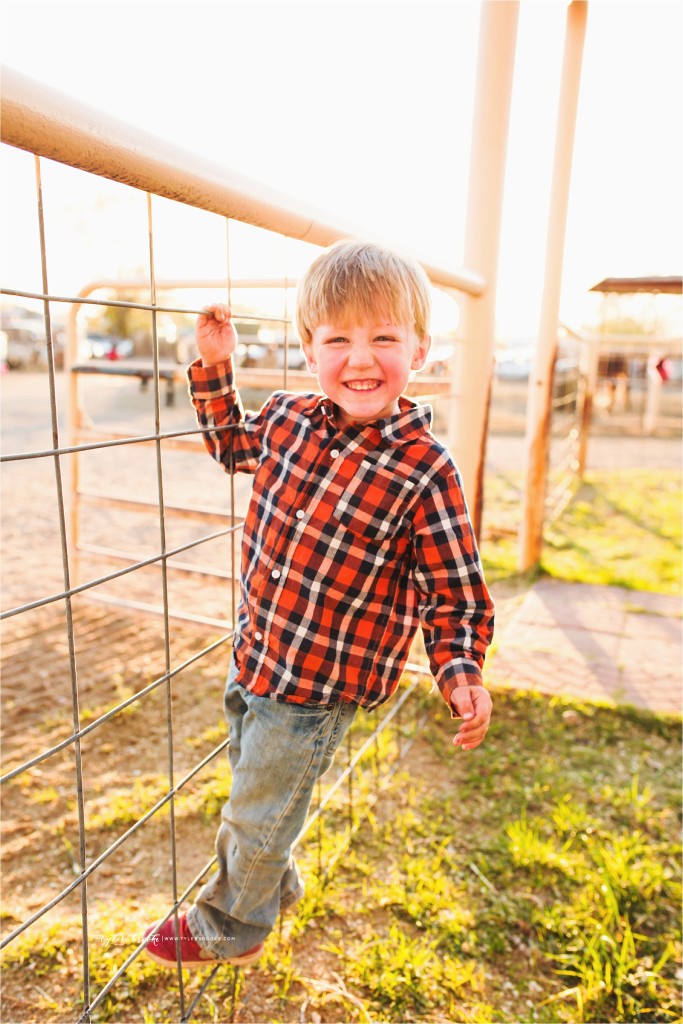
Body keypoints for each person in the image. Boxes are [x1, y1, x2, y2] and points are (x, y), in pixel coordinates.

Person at [144, 239, 494, 969]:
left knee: (256, 807)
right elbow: (229, 444)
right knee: (254, 777)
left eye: (383, 339)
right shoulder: (285, 419)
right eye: (338, 339)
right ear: (309, 351)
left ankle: (230, 927)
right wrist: (213, 367)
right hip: (258, 648)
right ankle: (274, 881)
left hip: (320, 682)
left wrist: (460, 671)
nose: (360, 359)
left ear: (420, 350)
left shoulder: (424, 471)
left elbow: (453, 589)